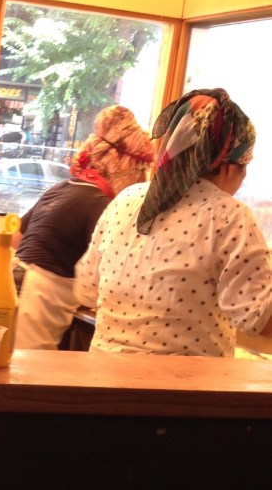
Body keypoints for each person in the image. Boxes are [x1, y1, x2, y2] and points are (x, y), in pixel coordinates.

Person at [74, 88, 272, 356]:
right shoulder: (229, 216)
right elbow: (260, 318)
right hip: (182, 381)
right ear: (229, 166)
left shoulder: (127, 199)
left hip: (102, 376)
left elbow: (86, 288)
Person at [13, 105, 154, 350]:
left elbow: (16, 238)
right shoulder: (102, 206)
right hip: (39, 294)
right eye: (139, 171)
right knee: (29, 369)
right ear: (123, 167)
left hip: (10, 277)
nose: (140, 180)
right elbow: (111, 269)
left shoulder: (62, 187)